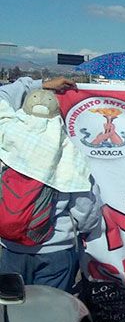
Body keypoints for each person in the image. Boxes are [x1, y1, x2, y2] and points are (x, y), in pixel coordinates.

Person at [0, 76, 102, 293]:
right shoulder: (68, 155)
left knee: (9, 310)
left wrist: (41, 84)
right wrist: (83, 230)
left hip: (9, 248)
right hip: (55, 250)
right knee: (50, 313)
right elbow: (85, 211)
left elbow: (3, 95)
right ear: (58, 116)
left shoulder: (5, 136)